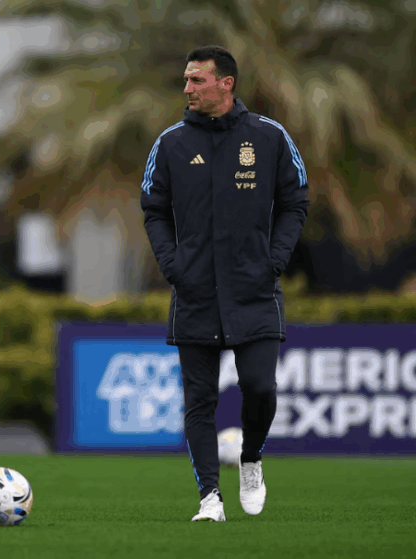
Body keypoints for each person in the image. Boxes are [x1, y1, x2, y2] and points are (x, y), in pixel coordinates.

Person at [140, 45, 309, 522]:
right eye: (187, 80)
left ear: (225, 83)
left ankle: (251, 459)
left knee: (260, 387)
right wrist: (173, 265)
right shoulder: (170, 143)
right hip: (194, 291)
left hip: (254, 290)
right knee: (199, 400)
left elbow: (296, 200)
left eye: (197, 80)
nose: (187, 89)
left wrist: (273, 260)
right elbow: (152, 209)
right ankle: (209, 498)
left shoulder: (269, 137)